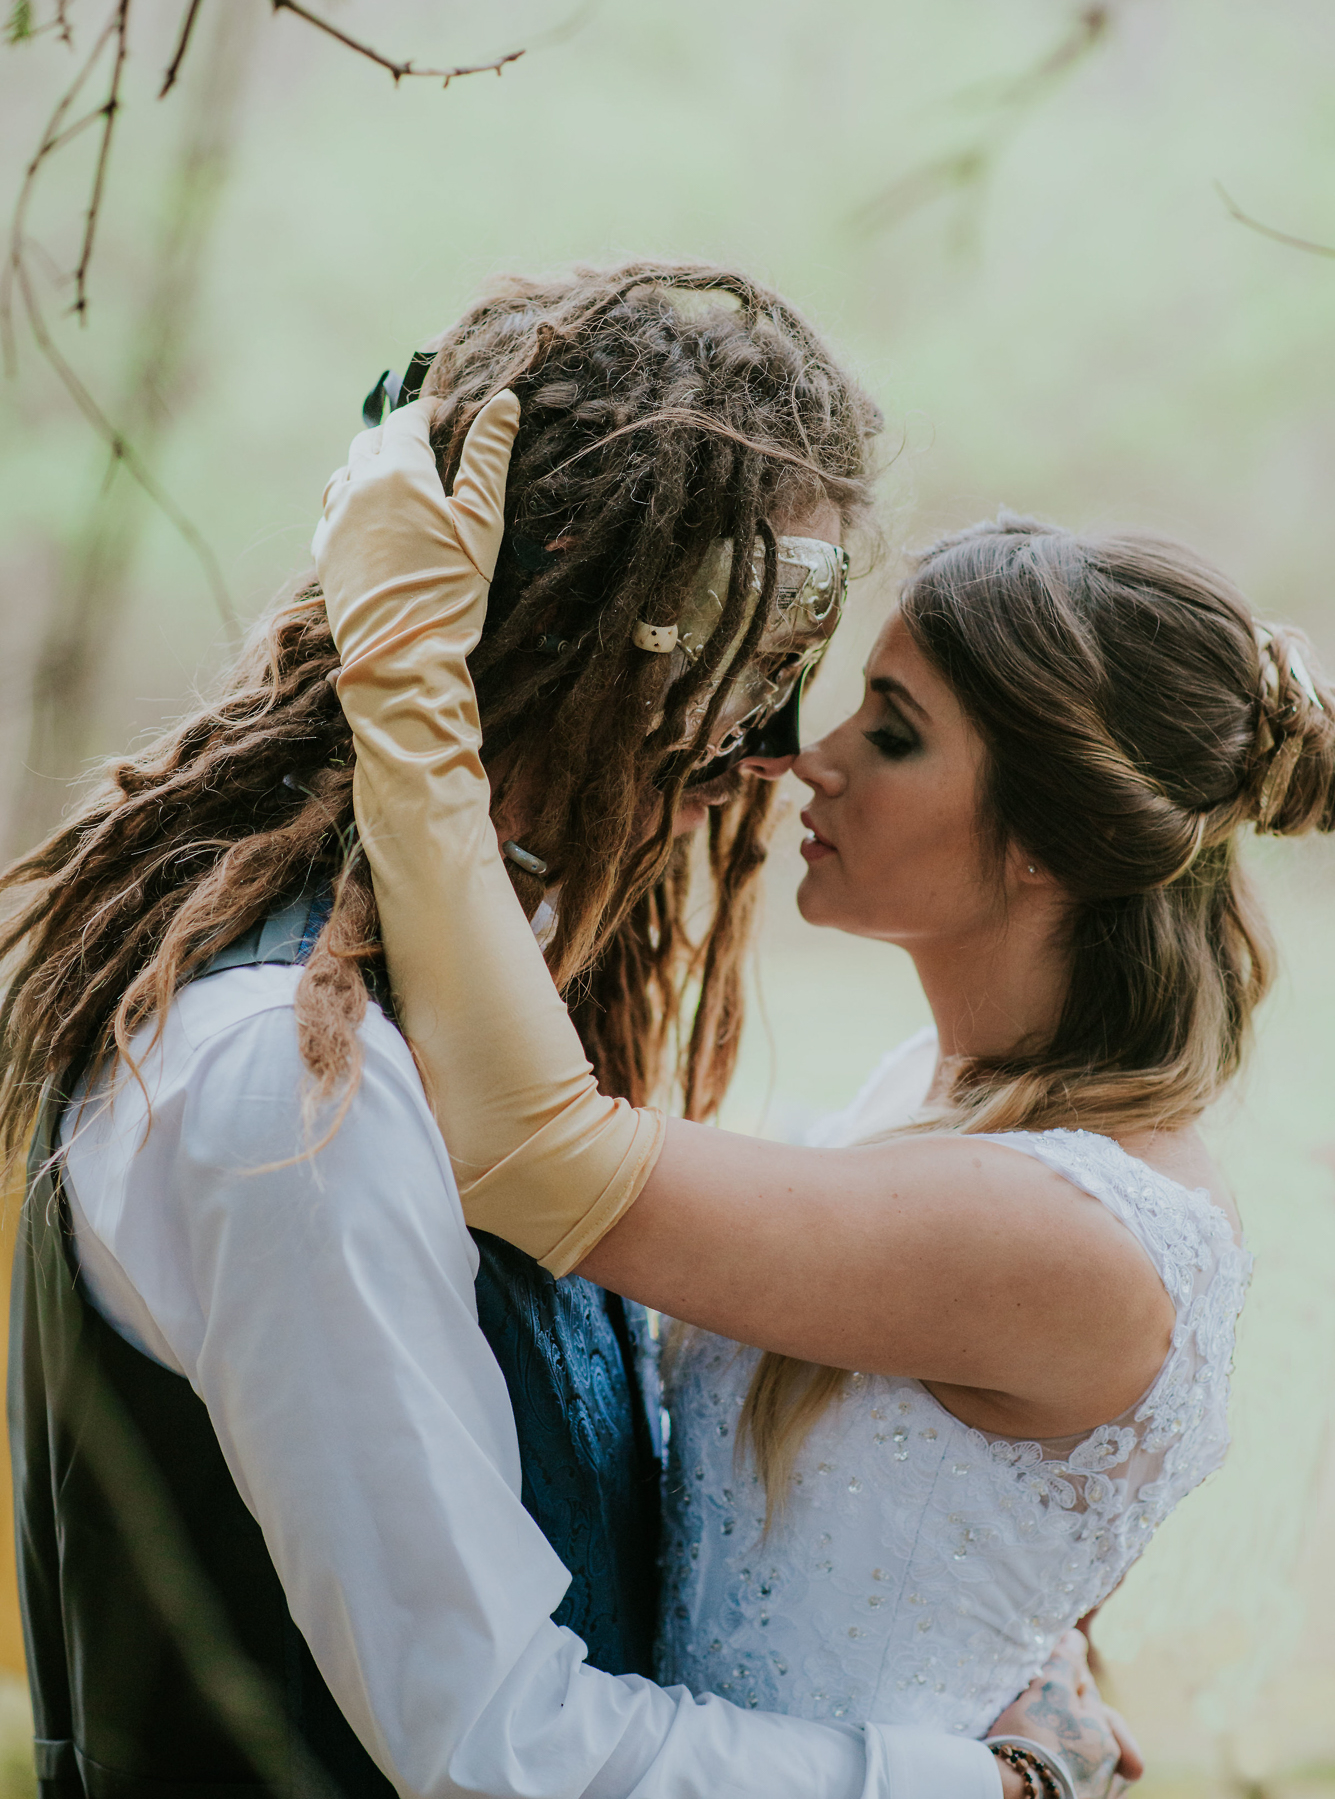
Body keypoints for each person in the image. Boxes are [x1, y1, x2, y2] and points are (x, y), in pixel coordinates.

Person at [0, 264, 1114, 1799]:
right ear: (571, 609)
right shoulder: (290, 1080)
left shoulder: (464, 1018)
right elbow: (498, 1751)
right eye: (745, 655)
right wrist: (982, 1788)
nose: (764, 760)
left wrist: (970, 1607)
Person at [313, 385, 1335, 1788]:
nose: (811, 758)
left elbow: (527, 1147)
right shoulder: (948, 1092)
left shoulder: (1059, 1223)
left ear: (1050, 840)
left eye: (895, 731)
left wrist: (407, 671)